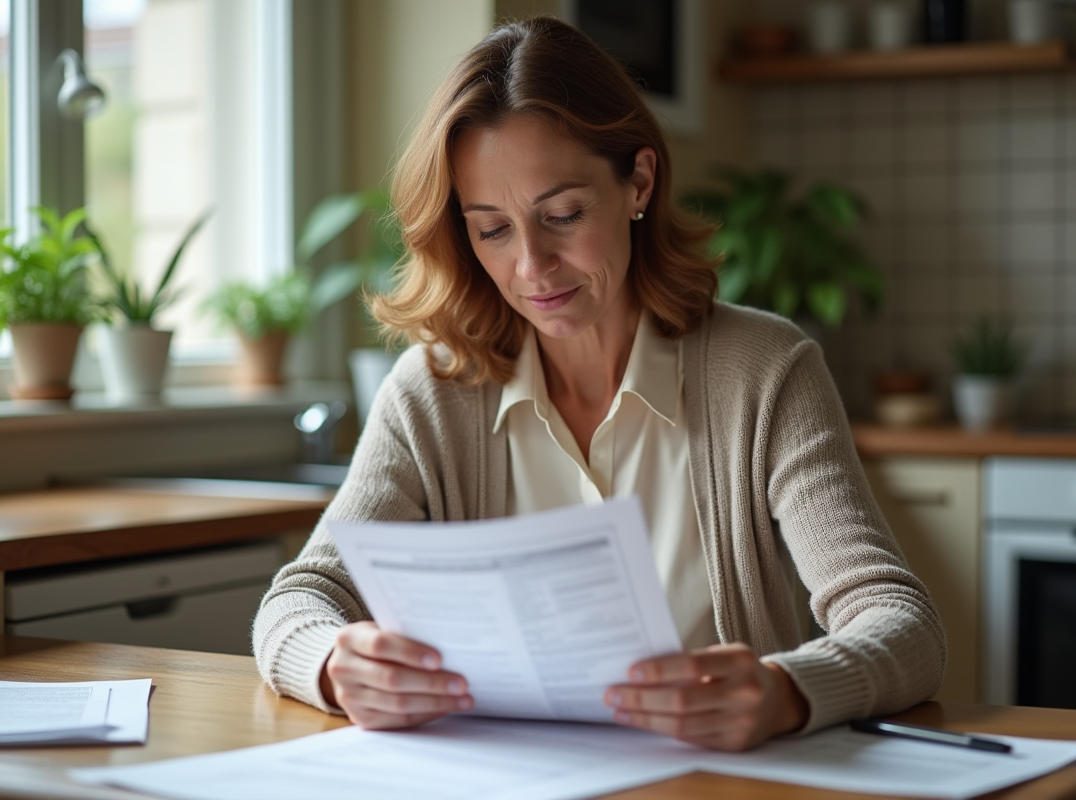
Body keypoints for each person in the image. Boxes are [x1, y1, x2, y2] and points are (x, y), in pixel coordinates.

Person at [253, 16, 945, 753]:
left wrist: (786, 691)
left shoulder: (766, 371)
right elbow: (300, 598)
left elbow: (900, 621)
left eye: (563, 215)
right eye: (492, 229)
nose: (532, 266)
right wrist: (332, 663)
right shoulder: (431, 390)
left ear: (638, 181)